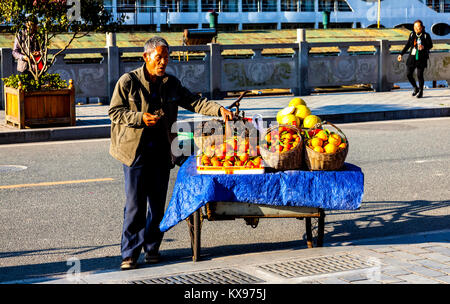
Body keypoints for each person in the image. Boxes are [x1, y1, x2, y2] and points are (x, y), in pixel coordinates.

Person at [108, 36, 234, 270]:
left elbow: (194, 102)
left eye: (166, 57)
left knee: (157, 205)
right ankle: (129, 254)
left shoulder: (171, 83)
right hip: (134, 152)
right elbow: (115, 112)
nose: (163, 62)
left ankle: (152, 248)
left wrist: (219, 109)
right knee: (135, 205)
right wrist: (140, 118)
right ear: (146, 57)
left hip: (162, 150)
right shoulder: (128, 82)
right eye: (159, 57)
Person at [397, 20, 433, 99]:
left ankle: (421, 91)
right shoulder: (412, 34)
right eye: (415, 27)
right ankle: (415, 87)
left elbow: (430, 45)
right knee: (408, 74)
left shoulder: (426, 35)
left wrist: (424, 47)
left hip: (421, 58)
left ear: (422, 27)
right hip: (412, 57)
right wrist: (401, 54)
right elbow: (407, 46)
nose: (416, 28)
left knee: (420, 75)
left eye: (418, 27)